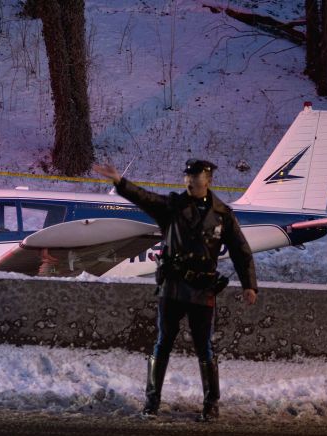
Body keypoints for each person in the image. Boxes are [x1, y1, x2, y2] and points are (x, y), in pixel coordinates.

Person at [93, 159, 258, 422]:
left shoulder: (223, 214)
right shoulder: (172, 207)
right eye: (188, 176)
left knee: (204, 347)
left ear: (209, 180)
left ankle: (211, 404)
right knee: (163, 342)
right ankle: (152, 401)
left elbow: (241, 250)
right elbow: (145, 198)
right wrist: (120, 182)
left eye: (196, 176)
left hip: (203, 289)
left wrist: (249, 285)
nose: (190, 180)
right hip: (172, 288)